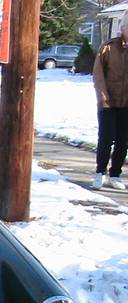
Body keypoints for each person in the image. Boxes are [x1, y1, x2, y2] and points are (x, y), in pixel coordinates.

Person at [92, 12, 128, 190]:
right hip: (108, 102)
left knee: (123, 141)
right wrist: (103, 99)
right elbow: (98, 76)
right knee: (106, 139)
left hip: (126, 104)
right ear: (123, 28)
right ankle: (100, 172)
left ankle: (115, 174)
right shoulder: (109, 48)